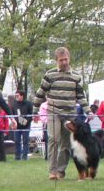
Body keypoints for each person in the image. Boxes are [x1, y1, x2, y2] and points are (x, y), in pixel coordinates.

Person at [33, 47, 91, 180]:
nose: (64, 62)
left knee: (65, 144)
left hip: (70, 113)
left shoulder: (76, 76)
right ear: (56, 61)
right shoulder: (50, 74)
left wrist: (88, 111)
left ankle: (61, 171)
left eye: (66, 59)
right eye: (61, 60)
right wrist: (35, 111)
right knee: (53, 139)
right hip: (53, 112)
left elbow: (81, 96)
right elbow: (40, 93)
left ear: (69, 59)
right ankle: (52, 172)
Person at [13, 90, 34, 161]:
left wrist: (25, 122)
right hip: (17, 126)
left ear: (22, 96)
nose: (16, 97)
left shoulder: (28, 104)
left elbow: (31, 115)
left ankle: (25, 157)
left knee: (25, 141)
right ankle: (17, 157)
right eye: (15, 96)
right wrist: (14, 122)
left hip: (26, 125)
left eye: (17, 96)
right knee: (16, 141)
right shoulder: (14, 104)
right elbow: (12, 114)